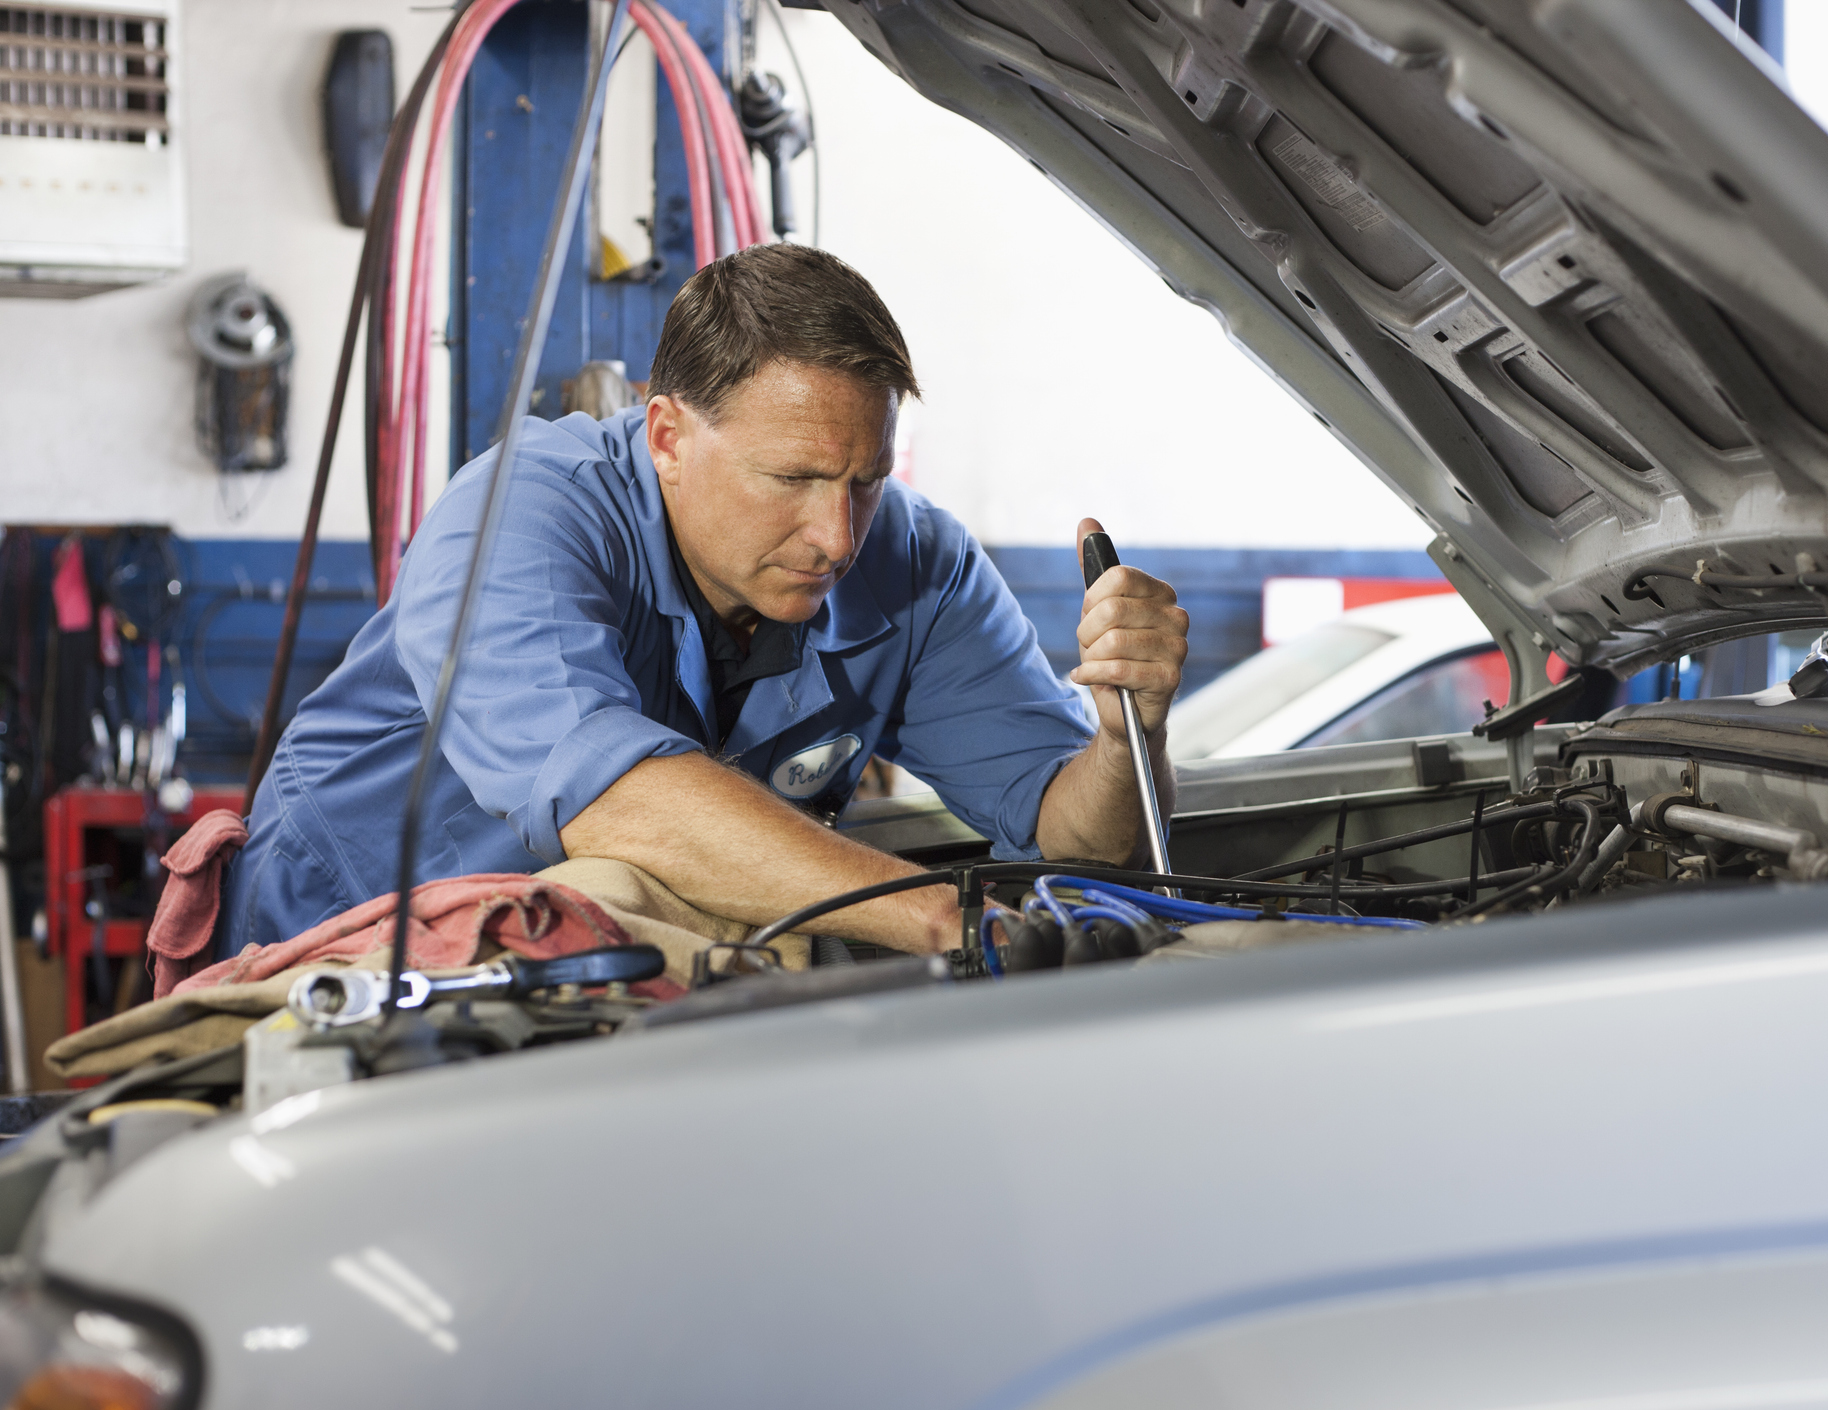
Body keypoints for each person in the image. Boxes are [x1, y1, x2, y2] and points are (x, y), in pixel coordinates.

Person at [213, 245, 1189, 962]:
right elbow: (618, 806)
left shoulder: (915, 562)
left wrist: (1125, 736)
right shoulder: (521, 514)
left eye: (866, 479)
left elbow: (1077, 837)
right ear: (669, 435)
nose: (838, 536)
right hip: (336, 949)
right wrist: (944, 918)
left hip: (595, 979)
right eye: (793, 477)